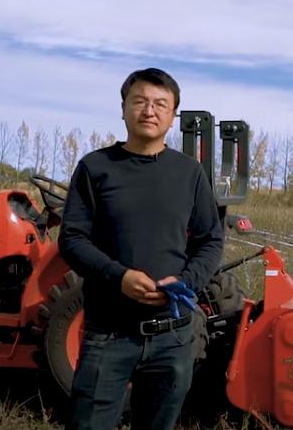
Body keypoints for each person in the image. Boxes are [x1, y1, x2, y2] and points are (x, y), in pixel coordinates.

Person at [58, 67, 224, 430]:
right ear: (123, 109)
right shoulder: (95, 168)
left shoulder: (189, 173)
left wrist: (185, 282)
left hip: (173, 338)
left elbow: (210, 239)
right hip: (109, 335)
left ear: (172, 115)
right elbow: (71, 239)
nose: (149, 111)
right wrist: (119, 277)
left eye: (160, 104)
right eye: (140, 101)